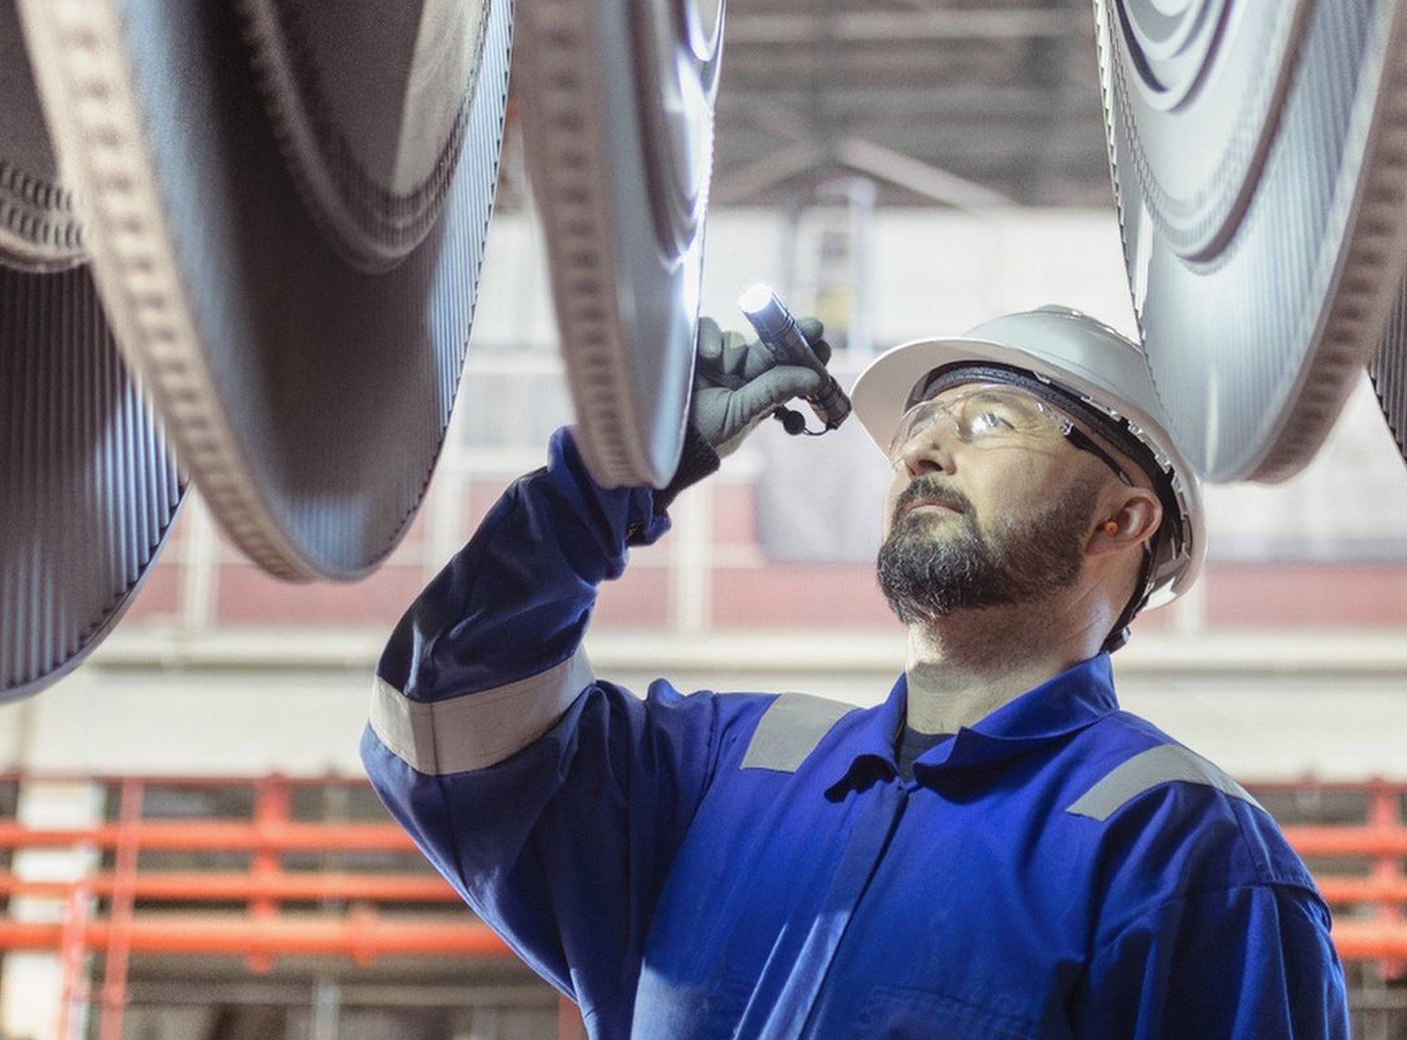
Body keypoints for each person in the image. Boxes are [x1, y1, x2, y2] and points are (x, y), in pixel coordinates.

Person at [363, 306, 1349, 1038]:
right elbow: (439, 718)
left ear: (1120, 519)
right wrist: (602, 486)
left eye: (986, 425)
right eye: (922, 428)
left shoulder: (1181, 855)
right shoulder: (721, 770)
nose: (921, 448)